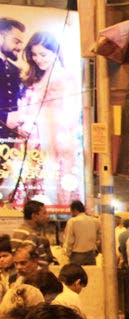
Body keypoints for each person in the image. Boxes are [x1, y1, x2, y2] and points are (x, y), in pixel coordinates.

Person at [10, 31, 82, 206]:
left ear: (55, 52)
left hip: (54, 142)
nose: (38, 59)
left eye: (43, 54)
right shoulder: (33, 78)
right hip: (30, 141)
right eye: (34, 54)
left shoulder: (65, 78)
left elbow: (68, 115)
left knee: (51, 186)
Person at [0, 18, 25, 128]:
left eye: (21, 43)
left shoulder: (15, 70)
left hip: (13, 138)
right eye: (16, 41)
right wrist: (4, 118)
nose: (20, 48)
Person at [63, 200, 101, 265]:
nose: (71, 214)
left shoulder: (72, 221)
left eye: (71, 212)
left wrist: (67, 254)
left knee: (77, 274)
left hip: (77, 256)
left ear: (75, 210)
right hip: (91, 255)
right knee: (90, 274)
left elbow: (69, 240)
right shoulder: (95, 221)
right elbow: (100, 236)